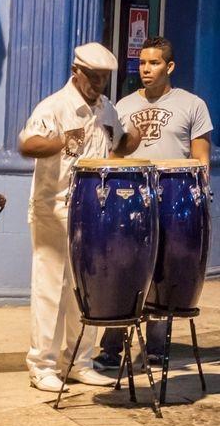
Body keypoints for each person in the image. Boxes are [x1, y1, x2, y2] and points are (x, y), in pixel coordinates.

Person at [18, 42, 143, 392]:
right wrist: (58, 142)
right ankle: (42, 365)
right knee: (50, 288)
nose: (98, 84)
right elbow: (28, 144)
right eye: (92, 77)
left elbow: (118, 145)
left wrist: (133, 138)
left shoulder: (106, 109)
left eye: (103, 78)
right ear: (76, 72)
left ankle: (79, 361)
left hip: (92, 212)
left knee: (85, 288)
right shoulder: (54, 107)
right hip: (53, 208)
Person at [96, 36, 214, 369]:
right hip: (131, 199)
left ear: (170, 66)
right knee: (125, 272)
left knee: (163, 272)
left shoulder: (192, 105)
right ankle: (110, 349)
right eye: (142, 63)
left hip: (172, 199)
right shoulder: (123, 105)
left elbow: (201, 160)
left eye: (154, 63)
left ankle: (156, 348)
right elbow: (114, 155)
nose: (146, 70)